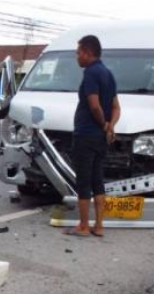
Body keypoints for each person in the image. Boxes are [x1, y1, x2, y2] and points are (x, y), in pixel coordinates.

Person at [66, 35, 120, 237]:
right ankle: (99, 225)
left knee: (83, 181)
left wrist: (103, 123)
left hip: (86, 134)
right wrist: (110, 126)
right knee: (98, 180)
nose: (77, 56)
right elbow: (116, 107)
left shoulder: (90, 73)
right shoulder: (108, 73)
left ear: (88, 53)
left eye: (79, 52)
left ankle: (83, 226)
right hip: (100, 138)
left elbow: (94, 105)